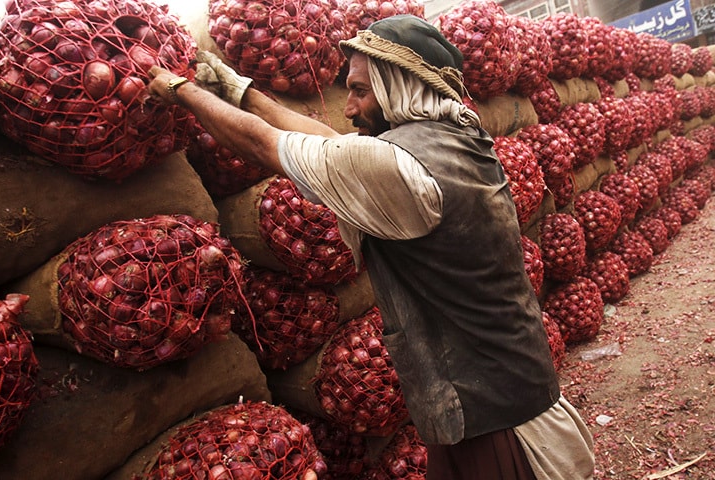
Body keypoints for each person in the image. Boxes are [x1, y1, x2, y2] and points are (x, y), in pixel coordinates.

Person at [148, 14, 595, 480]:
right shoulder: (458, 139)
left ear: (395, 87)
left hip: (489, 414)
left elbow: (266, 146)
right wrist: (242, 92)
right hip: (508, 386)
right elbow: (330, 143)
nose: (348, 107)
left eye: (360, 91)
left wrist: (181, 91)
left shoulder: (395, 166)